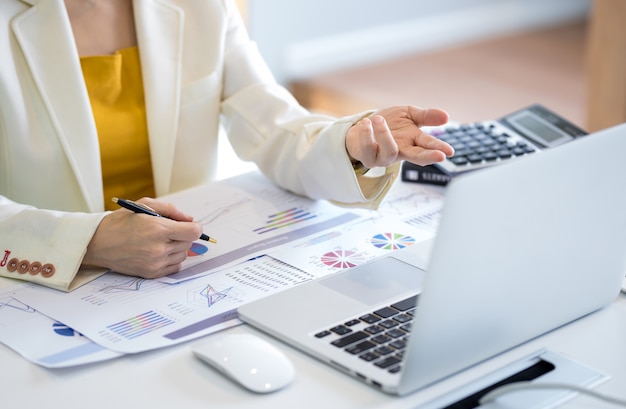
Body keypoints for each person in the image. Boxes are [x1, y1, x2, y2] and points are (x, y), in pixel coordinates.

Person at [0, 0, 453, 292]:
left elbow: (273, 124)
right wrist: (90, 242)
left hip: (180, 273)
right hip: (38, 284)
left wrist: (351, 143)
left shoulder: (202, 7)